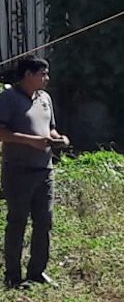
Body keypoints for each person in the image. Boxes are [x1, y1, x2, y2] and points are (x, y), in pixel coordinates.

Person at [0, 58, 69, 289]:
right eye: (43, 74)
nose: (47, 78)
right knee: (17, 221)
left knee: (44, 221)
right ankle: (12, 275)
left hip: (44, 170)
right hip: (18, 170)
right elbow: (2, 132)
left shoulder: (44, 99)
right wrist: (31, 141)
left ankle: (37, 272)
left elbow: (50, 127)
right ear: (28, 74)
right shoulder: (8, 99)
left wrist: (58, 138)